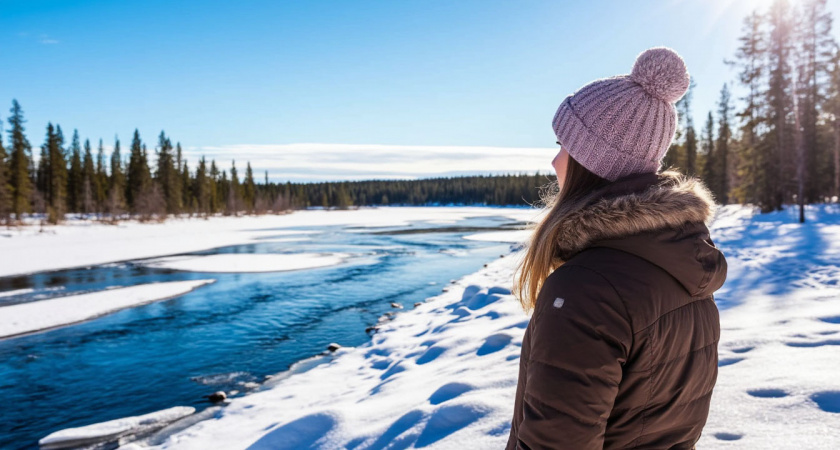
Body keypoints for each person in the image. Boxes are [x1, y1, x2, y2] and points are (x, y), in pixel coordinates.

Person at [506, 47, 728, 450]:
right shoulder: (684, 267)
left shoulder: (586, 290)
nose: (555, 161)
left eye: (563, 144)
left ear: (592, 160)